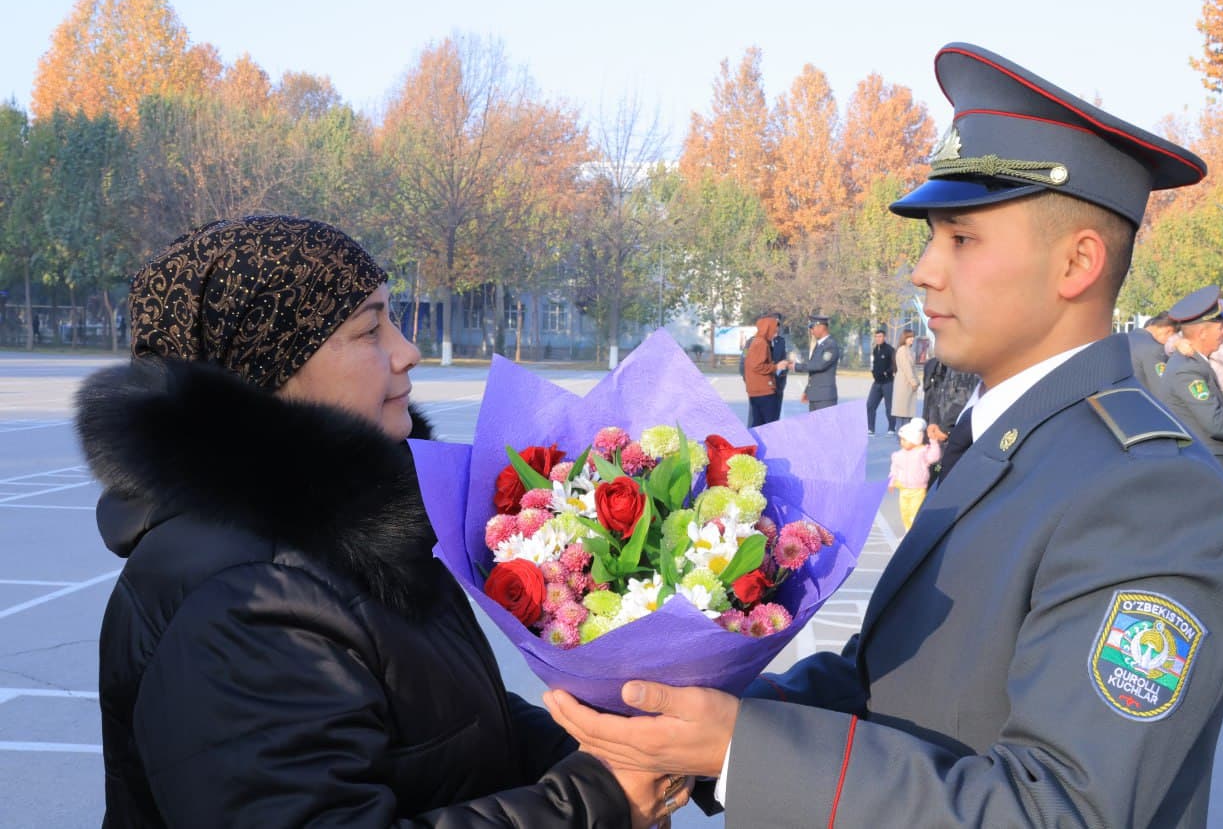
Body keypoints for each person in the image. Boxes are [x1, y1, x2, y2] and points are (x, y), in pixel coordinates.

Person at [542, 42, 1223, 827]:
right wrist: (691, 719)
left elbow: (1059, 812)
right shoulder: (1011, 439)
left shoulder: (1151, 496)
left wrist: (742, 747)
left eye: (961, 238)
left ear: (1077, 261)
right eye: (931, 238)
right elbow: (889, 682)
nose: (923, 269)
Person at [74, 216, 681, 828]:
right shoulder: (242, 596)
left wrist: (620, 748)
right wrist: (595, 801)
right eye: (370, 328)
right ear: (267, 368)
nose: (407, 351)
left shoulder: (356, 524)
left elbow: (456, 724)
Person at [1161, 285, 1223, 479]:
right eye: (1220, 328)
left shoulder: (1196, 363)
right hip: (1204, 465)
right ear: (1202, 333)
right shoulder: (1187, 369)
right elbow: (1216, 424)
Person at [920, 356, 980, 484]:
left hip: (957, 433)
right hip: (937, 431)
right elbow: (936, 393)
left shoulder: (968, 363)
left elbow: (965, 398)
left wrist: (945, 428)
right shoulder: (944, 363)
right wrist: (933, 421)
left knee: (948, 481)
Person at [887, 416, 940, 531]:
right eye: (901, 439)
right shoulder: (899, 454)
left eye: (905, 440)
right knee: (905, 512)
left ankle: (913, 532)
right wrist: (891, 481)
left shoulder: (922, 452)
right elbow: (894, 469)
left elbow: (934, 457)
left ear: (915, 439)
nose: (902, 442)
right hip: (903, 489)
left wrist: (934, 442)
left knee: (915, 513)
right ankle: (907, 529)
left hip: (918, 489)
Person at [742, 313, 785, 427]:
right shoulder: (754, 342)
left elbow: (782, 361)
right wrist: (750, 381)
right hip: (761, 387)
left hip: (775, 386)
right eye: (775, 324)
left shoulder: (781, 342)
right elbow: (746, 363)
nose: (777, 328)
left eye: (778, 324)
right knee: (759, 422)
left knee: (770, 419)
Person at [790, 314, 839, 411]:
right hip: (816, 396)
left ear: (821, 327)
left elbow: (819, 365)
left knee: (825, 426)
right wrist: (807, 391)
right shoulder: (820, 345)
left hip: (825, 398)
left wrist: (797, 367)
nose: (811, 331)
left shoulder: (830, 345)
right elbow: (814, 374)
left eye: (812, 328)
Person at [1128, 311, 1175, 395]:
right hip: (1142, 403)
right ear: (1169, 331)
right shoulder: (1155, 349)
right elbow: (1162, 389)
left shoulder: (1128, 337)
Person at [865, 328, 895, 435]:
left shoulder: (890, 350)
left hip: (888, 383)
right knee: (870, 405)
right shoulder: (875, 350)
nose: (878, 338)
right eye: (876, 337)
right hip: (877, 383)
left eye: (880, 336)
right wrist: (873, 372)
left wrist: (887, 373)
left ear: (884, 337)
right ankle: (870, 429)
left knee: (889, 407)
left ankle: (891, 428)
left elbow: (894, 365)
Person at [890, 328, 918, 429]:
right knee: (902, 412)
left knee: (907, 412)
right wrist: (914, 382)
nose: (912, 339)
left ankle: (905, 436)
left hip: (908, 384)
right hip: (904, 384)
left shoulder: (908, 350)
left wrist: (916, 382)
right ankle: (901, 436)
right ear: (904, 338)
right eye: (909, 337)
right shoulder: (902, 350)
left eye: (913, 337)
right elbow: (907, 368)